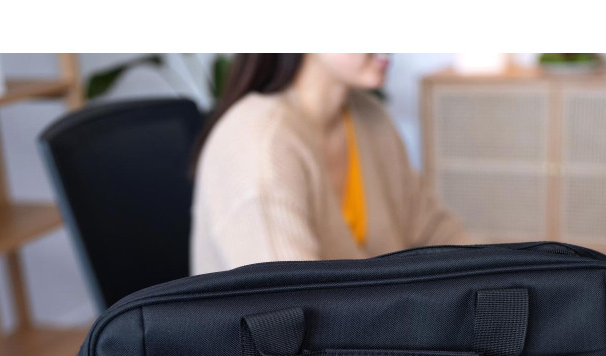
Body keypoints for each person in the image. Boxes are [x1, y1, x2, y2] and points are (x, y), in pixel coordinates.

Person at [190, 53, 468, 274]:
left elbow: (440, 234)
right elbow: (292, 308)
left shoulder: (371, 117)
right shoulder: (259, 143)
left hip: (382, 328)